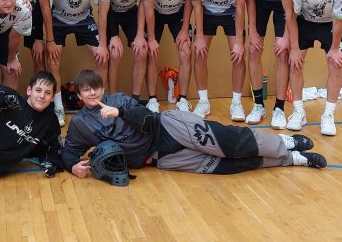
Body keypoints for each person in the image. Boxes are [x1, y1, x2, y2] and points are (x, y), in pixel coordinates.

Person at [63, 70, 326, 180]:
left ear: (103, 88)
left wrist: (120, 112)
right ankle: (294, 159)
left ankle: (286, 142)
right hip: (159, 158)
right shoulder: (80, 124)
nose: (92, 93)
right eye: (86, 90)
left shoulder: (118, 99)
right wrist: (72, 166)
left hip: (170, 127)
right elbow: (69, 151)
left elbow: (148, 119)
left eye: (95, 88)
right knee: (226, 166)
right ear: (79, 95)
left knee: (230, 143)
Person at [234, 0, 300, 129]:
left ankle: (279, 108)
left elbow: (290, 10)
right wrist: (251, 32)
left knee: (282, 52)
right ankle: (258, 106)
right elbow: (241, 7)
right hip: (259, 1)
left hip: (283, 5)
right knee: (253, 49)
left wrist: (286, 38)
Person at [287, 0, 342, 136]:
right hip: (305, 23)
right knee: (295, 63)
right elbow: (291, 17)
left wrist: (335, 49)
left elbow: (339, 21)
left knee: (336, 65)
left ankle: (328, 115)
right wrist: (294, 48)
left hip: (330, 25)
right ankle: (298, 112)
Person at [46, 0, 106, 125]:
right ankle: (58, 107)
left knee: (103, 57)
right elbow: (45, 10)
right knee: (53, 61)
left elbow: (102, 10)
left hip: (84, 19)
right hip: (58, 20)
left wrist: (103, 44)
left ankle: (99, 105)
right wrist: (49, 41)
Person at [191, 0, 247, 120]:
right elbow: (194, 4)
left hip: (231, 11)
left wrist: (239, 41)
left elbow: (241, 5)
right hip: (206, 11)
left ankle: (236, 103)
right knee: (199, 53)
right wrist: (198, 36)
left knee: (238, 56)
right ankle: (203, 101)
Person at [145, 0, 201, 114]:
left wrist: (185, 29)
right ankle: (152, 100)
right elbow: (146, 6)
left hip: (178, 14)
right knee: (151, 53)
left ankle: (182, 99)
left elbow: (193, 3)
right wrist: (151, 38)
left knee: (186, 51)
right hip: (155, 14)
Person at [97, 0, 156, 108]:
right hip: (111, 13)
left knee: (142, 51)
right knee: (115, 53)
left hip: (131, 12)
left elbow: (146, 8)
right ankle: (113, 99)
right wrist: (108, 39)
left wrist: (141, 35)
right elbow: (102, 12)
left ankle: (135, 100)